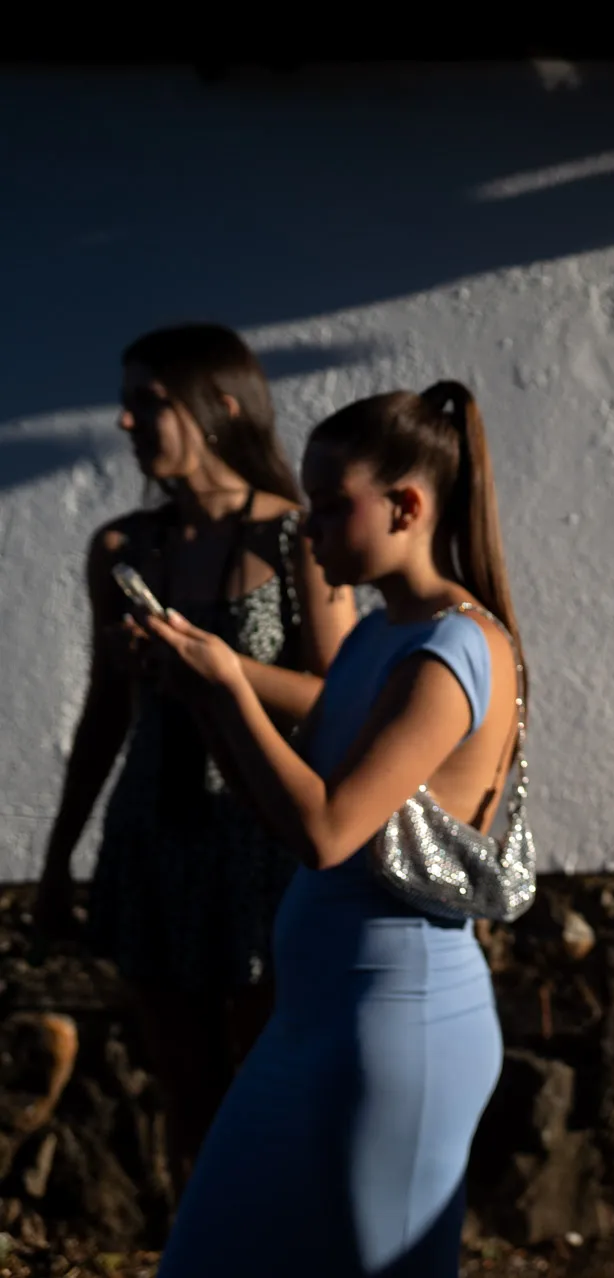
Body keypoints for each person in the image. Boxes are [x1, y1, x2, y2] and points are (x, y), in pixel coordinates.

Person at [140, 382, 521, 1277]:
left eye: (327, 504)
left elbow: (328, 834)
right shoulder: (376, 636)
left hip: (401, 1034)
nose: (305, 529)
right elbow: (284, 806)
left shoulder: (456, 650)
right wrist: (204, 695)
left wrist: (230, 687)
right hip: (317, 1022)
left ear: (407, 505)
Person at [35, 323, 358, 1190]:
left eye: (147, 402)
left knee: (271, 1080)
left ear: (218, 406)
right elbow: (105, 714)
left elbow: (339, 694)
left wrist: (215, 669)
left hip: (256, 834)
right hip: (151, 830)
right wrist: (64, 850)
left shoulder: (297, 538)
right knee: (187, 1096)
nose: (125, 423)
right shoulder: (124, 549)